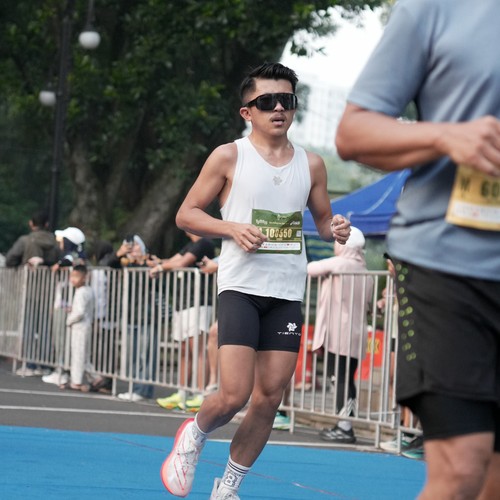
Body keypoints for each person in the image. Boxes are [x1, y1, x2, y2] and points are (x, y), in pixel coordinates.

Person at [160, 62, 350, 499]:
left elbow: (323, 223)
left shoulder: (312, 164)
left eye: (286, 100)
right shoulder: (229, 156)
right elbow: (186, 214)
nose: (278, 108)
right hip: (241, 288)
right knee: (233, 394)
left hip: (286, 292)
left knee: (269, 399)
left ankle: (228, 487)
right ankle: (194, 434)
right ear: (247, 112)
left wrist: (336, 228)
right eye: (267, 101)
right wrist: (231, 228)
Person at [335, 1, 500, 498]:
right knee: (462, 466)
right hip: (446, 264)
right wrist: (447, 136)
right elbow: (353, 132)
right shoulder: (436, 10)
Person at [307, 226, 374, 444]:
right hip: (356, 331)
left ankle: (345, 426)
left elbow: (310, 269)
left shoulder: (340, 264)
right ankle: (345, 423)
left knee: (338, 377)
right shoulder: (366, 272)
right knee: (347, 377)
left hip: (339, 331)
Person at [152, 232, 215, 412]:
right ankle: (182, 393)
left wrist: (160, 267)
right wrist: (158, 263)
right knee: (184, 350)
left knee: (198, 350)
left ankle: (201, 394)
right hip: (183, 303)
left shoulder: (204, 243)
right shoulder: (190, 245)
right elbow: (174, 260)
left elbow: (181, 263)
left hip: (198, 302)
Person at [6, 210, 60, 377]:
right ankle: (45, 364)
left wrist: (22, 265)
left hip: (28, 290)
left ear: (31, 224)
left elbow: (10, 259)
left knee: (28, 327)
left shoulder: (26, 240)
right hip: (48, 290)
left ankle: (29, 364)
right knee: (45, 328)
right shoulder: (55, 242)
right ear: (47, 224)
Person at [107, 234, 159, 402]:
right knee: (133, 355)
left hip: (147, 316)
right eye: (130, 245)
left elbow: (161, 283)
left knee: (146, 355)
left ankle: (142, 390)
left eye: (136, 245)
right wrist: (120, 252)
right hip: (130, 316)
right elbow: (108, 264)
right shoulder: (126, 265)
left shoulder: (151, 263)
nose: (133, 248)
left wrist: (150, 265)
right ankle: (136, 388)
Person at [42, 227, 87, 386]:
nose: (60, 243)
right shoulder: (77, 258)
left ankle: (62, 371)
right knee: (63, 340)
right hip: (65, 304)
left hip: (66, 306)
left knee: (62, 340)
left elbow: (69, 260)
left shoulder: (72, 258)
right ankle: (63, 370)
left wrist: (58, 265)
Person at [60, 264, 95, 391]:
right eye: (72, 276)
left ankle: (76, 381)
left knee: (78, 354)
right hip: (86, 325)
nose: (72, 279)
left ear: (84, 278)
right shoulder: (89, 290)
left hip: (80, 327)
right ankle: (95, 378)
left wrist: (69, 320)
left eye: (76, 276)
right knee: (84, 355)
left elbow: (79, 312)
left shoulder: (81, 292)